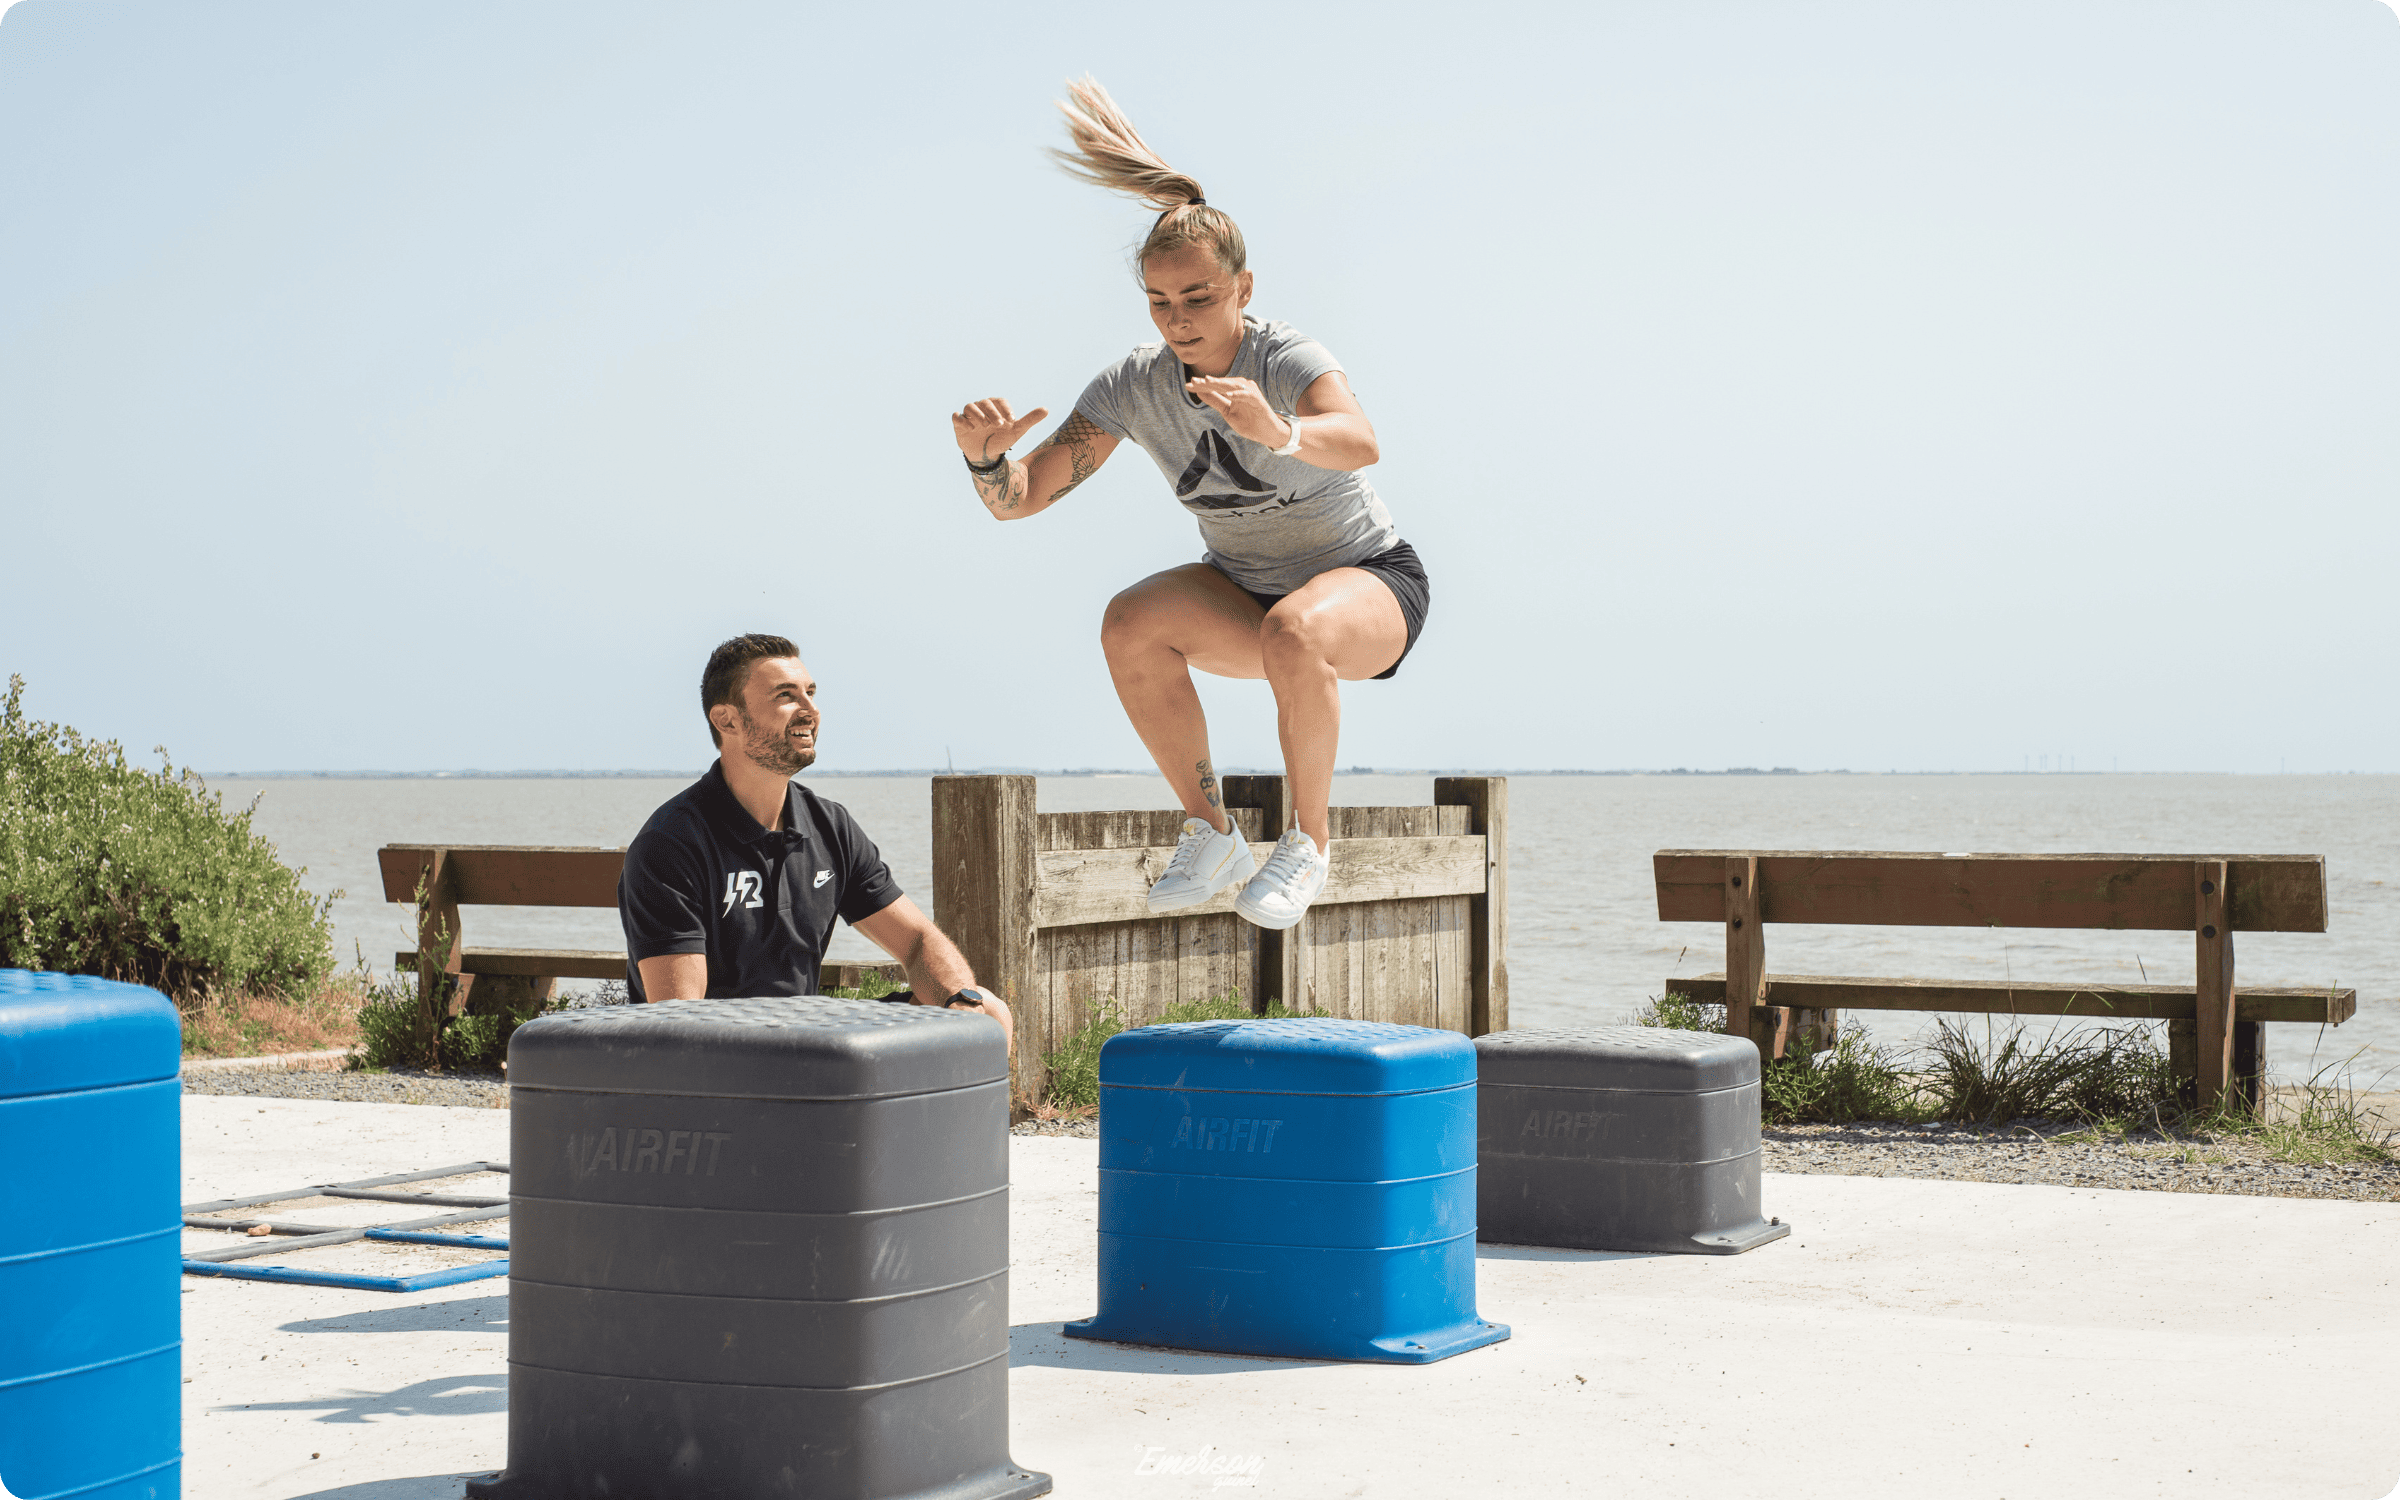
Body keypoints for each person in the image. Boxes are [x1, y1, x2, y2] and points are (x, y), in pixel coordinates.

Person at [948, 77, 1427, 933]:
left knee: (1299, 629)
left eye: (1199, 298)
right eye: (1161, 303)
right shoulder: (1135, 384)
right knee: (1128, 621)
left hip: (1368, 586)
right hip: (1241, 589)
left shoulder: (1286, 356)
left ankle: (1309, 843)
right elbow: (1022, 499)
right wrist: (988, 463)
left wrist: (1277, 430)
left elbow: (1360, 439)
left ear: (1243, 287)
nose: (1179, 320)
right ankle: (1212, 835)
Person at [616, 633, 1012, 1052]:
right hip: (725, 1057)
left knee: (987, 1011)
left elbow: (915, 941)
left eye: (810, 692)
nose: (810, 710)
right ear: (727, 720)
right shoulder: (671, 844)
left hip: (808, 1035)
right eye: (785, 696)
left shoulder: (829, 825)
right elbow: (679, 1021)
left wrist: (960, 1001)